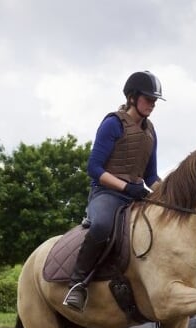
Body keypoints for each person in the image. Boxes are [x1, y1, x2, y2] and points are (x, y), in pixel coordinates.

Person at [63, 70, 165, 311]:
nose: (152, 104)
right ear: (132, 97)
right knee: (101, 226)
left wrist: (166, 194)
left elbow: (150, 176)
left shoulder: (151, 132)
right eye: (148, 99)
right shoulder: (113, 124)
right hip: (106, 193)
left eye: (154, 100)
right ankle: (77, 283)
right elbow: (93, 167)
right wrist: (127, 187)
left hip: (135, 195)